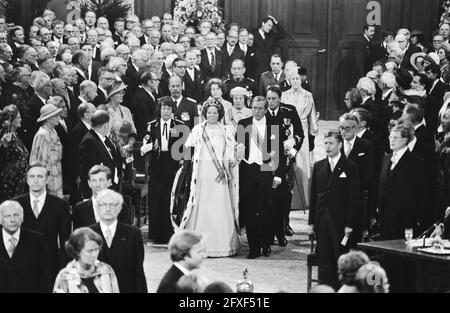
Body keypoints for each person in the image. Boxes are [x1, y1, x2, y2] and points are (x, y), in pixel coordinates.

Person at [175, 99, 240, 257]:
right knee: (202, 205)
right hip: (202, 173)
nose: (212, 115)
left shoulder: (226, 131)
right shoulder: (197, 130)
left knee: (219, 206)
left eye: (215, 113)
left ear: (220, 114)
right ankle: (198, 246)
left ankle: (222, 245)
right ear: (204, 114)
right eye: (209, 112)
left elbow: (230, 152)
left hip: (220, 175)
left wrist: (231, 161)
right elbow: (188, 150)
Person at [309, 131, 359, 289]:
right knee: (323, 258)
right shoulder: (319, 166)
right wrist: (312, 222)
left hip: (341, 220)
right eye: (325, 143)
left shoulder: (350, 167)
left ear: (339, 145)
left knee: (339, 256)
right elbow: (313, 196)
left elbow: (353, 198)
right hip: (322, 218)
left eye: (331, 143)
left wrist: (350, 224)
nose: (327, 146)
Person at [237, 96, 285, 258]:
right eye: (254, 108)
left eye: (259, 108)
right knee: (249, 210)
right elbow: (238, 149)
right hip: (247, 170)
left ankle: (266, 244)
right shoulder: (243, 124)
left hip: (266, 169)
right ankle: (254, 248)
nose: (256, 111)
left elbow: (279, 153)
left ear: (265, 110)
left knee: (265, 210)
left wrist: (278, 176)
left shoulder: (274, 125)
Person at [14, 162, 71, 284]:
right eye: (32, 177)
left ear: (46, 180)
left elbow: (65, 240)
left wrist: (63, 272)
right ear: (27, 180)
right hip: (21, 270)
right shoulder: (16, 204)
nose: (36, 180)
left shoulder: (60, 206)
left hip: (51, 269)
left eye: (40, 176)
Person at [142, 97, 185, 243]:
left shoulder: (179, 125)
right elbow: (144, 147)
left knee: (170, 197)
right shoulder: (151, 125)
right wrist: (150, 146)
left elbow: (185, 148)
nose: (166, 111)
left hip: (172, 164)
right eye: (163, 108)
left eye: (168, 108)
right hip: (157, 164)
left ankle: (170, 232)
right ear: (159, 110)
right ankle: (156, 233)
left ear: (173, 110)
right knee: (156, 197)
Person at [265, 86, 304, 245]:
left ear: (280, 98)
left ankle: (283, 226)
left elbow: (299, 133)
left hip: (286, 159)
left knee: (285, 195)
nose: (271, 102)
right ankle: (270, 230)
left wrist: (294, 148)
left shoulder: (289, 111)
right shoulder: (262, 113)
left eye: (274, 98)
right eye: (268, 98)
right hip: (268, 160)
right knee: (270, 196)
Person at [89, 189, 147, 292]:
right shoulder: (88, 234)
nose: (108, 209)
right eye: (103, 205)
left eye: (113, 205)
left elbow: (138, 272)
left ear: (120, 208)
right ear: (97, 207)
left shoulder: (133, 234)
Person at [281, 68, 319, 214]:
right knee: (288, 161)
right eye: (293, 79)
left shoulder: (308, 95)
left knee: (302, 162)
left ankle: (303, 198)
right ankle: (288, 195)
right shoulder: (284, 95)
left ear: (301, 80)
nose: (295, 81)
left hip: (302, 127)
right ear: (289, 80)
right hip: (288, 129)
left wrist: (313, 130)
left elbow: (312, 114)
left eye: (297, 78)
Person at [378, 123, 424, 240]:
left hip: (405, 217)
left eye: (395, 138)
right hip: (386, 216)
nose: (391, 140)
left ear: (404, 140)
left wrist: (416, 217)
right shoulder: (386, 158)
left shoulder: (415, 162)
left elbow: (420, 191)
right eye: (390, 137)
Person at [339, 113, 375, 244]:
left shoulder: (366, 145)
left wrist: (355, 190)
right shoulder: (335, 143)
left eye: (347, 128)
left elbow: (369, 173)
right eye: (341, 128)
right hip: (338, 197)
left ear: (356, 128)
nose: (343, 131)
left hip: (357, 198)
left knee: (353, 238)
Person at [0, 200, 51, 292]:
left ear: (22, 218)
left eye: (16, 215)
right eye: (8, 216)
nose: (12, 220)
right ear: (0, 219)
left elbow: (44, 276)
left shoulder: (37, 240)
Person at [53, 227, 120, 293]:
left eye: (96, 250)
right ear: (77, 251)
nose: (94, 255)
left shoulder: (106, 271)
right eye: (90, 251)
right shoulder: (64, 276)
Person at [79, 110, 123, 199]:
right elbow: (89, 170)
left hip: (110, 187)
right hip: (98, 191)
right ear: (106, 125)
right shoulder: (89, 141)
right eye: (110, 124)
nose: (111, 126)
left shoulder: (104, 138)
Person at [72, 165, 131, 229]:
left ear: (109, 182)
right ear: (89, 183)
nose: (97, 185)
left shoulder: (121, 207)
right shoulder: (80, 209)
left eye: (101, 180)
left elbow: (128, 236)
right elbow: (77, 237)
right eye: (94, 180)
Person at [29, 103, 64, 198]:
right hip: (48, 177)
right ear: (48, 118)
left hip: (56, 173)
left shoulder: (53, 132)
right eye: (56, 116)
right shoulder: (42, 135)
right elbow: (41, 160)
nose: (59, 118)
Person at [0, 105, 29, 202]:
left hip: (21, 179)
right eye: (18, 117)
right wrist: (3, 145)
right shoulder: (6, 138)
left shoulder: (16, 135)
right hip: (12, 181)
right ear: (10, 121)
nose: (20, 119)